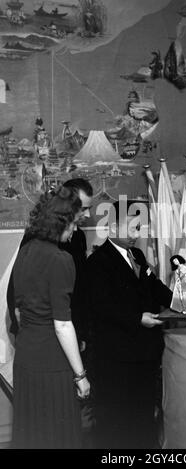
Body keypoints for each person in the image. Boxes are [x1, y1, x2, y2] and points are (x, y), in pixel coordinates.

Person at [85, 199, 172, 449]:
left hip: (144, 356)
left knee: (143, 418)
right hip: (116, 360)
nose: (138, 234)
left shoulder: (137, 255)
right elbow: (102, 307)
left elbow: (154, 287)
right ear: (112, 229)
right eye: (133, 228)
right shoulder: (97, 262)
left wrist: (181, 301)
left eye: (140, 228)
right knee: (118, 424)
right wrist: (137, 318)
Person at [11, 186, 90, 448]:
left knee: (31, 432)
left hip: (25, 358)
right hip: (52, 363)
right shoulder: (61, 259)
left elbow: (20, 311)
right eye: (74, 223)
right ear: (62, 222)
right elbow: (63, 324)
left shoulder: (25, 251)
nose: (75, 230)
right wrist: (81, 376)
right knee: (59, 436)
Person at [7, 177, 93, 350]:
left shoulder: (79, 237)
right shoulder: (36, 238)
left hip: (71, 333)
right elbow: (15, 292)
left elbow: (80, 291)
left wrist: (81, 333)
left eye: (89, 208)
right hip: (43, 339)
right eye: (83, 209)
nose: (88, 215)